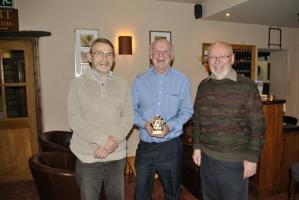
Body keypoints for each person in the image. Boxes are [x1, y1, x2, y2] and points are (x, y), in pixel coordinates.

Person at [192, 41, 265, 200]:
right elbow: (197, 119)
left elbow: (258, 125)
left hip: (234, 163)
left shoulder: (247, 86)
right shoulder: (203, 86)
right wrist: (197, 147)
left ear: (232, 59)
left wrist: (252, 159)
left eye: (222, 57)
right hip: (207, 159)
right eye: (212, 57)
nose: (216, 62)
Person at [67, 38, 133, 200]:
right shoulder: (77, 84)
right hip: (88, 156)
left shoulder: (122, 84)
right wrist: (104, 140)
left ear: (114, 59)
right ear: (89, 57)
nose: (105, 59)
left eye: (109, 54)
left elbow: (128, 118)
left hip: (116, 157)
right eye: (99, 54)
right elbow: (75, 120)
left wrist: (110, 145)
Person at [132, 38, 193, 200]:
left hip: (170, 147)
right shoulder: (139, 81)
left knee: (172, 193)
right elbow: (131, 110)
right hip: (145, 147)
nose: (160, 56)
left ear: (172, 55)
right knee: (141, 194)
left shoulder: (182, 80)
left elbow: (187, 110)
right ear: (150, 55)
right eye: (156, 52)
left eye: (165, 51)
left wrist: (170, 126)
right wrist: (144, 124)